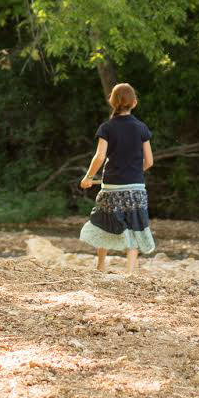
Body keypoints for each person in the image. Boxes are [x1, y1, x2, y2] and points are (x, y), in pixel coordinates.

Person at [78, 82, 155, 271]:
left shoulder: (107, 127)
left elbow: (100, 156)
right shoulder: (141, 128)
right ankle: (130, 272)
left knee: (104, 222)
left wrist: (88, 177)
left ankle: (101, 265)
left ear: (112, 103)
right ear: (134, 103)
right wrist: (135, 173)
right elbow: (150, 161)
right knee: (134, 225)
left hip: (112, 186)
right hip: (136, 187)